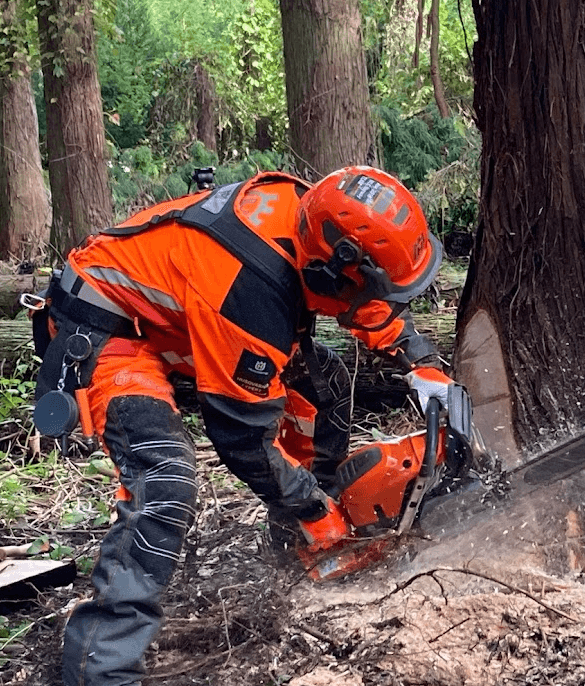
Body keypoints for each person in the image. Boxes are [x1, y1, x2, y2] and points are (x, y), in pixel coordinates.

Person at [29, 166, 455, 686]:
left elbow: (362, 295)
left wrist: (418, 359)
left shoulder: (310, 218)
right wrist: (311, 508)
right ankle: (100, 667)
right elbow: (241, 437)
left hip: (178, 316)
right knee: (165, 480)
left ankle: (300, 548)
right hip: (108, 328)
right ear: (329, 272)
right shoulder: (250, 292)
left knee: (321, 386)